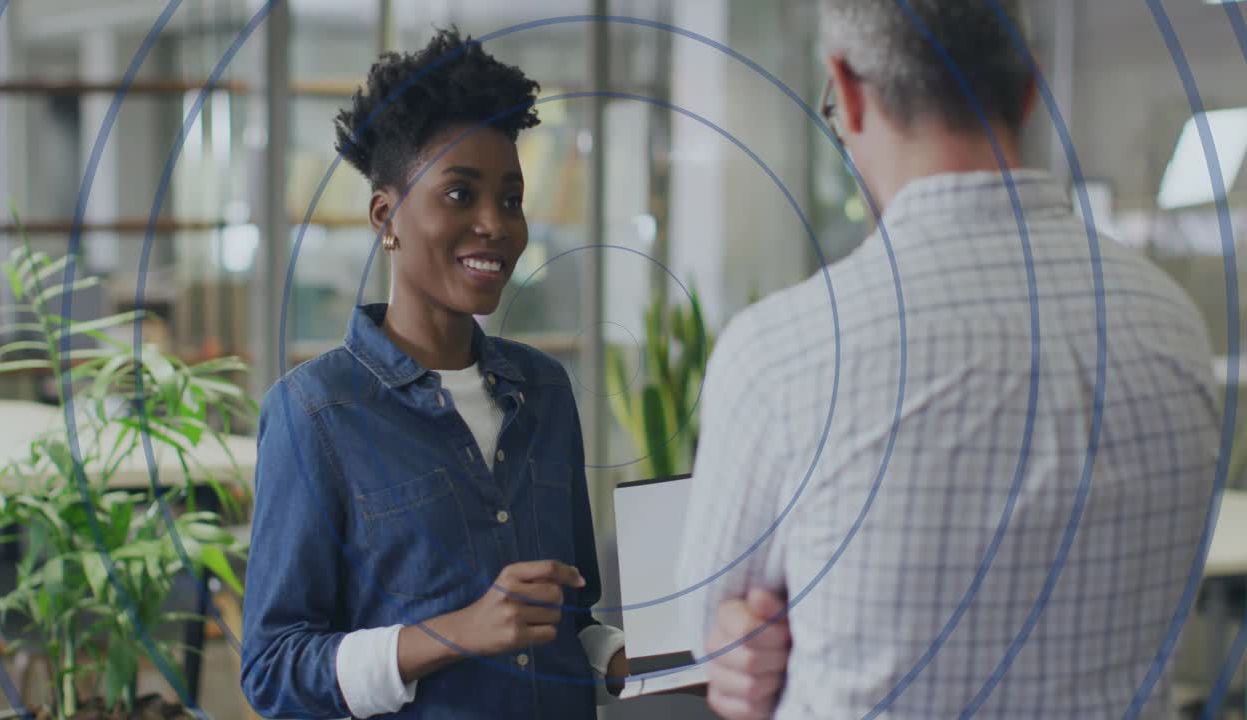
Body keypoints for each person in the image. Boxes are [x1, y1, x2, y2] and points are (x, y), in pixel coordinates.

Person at [677, 1, 1218, 718]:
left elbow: (703, 625)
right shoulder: (1172, 323)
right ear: (1030, 88)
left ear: (849, 89)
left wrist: (738, 639)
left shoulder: (787, 350)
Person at [240, 29, 627, 719]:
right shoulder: (314, 413)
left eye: (511, 200)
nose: (495, 225)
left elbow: (570, 615)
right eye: (459, 195)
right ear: (386, 216)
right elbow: (273, 670)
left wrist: (623, 657)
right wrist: (454, 634)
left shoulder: (546, 391)